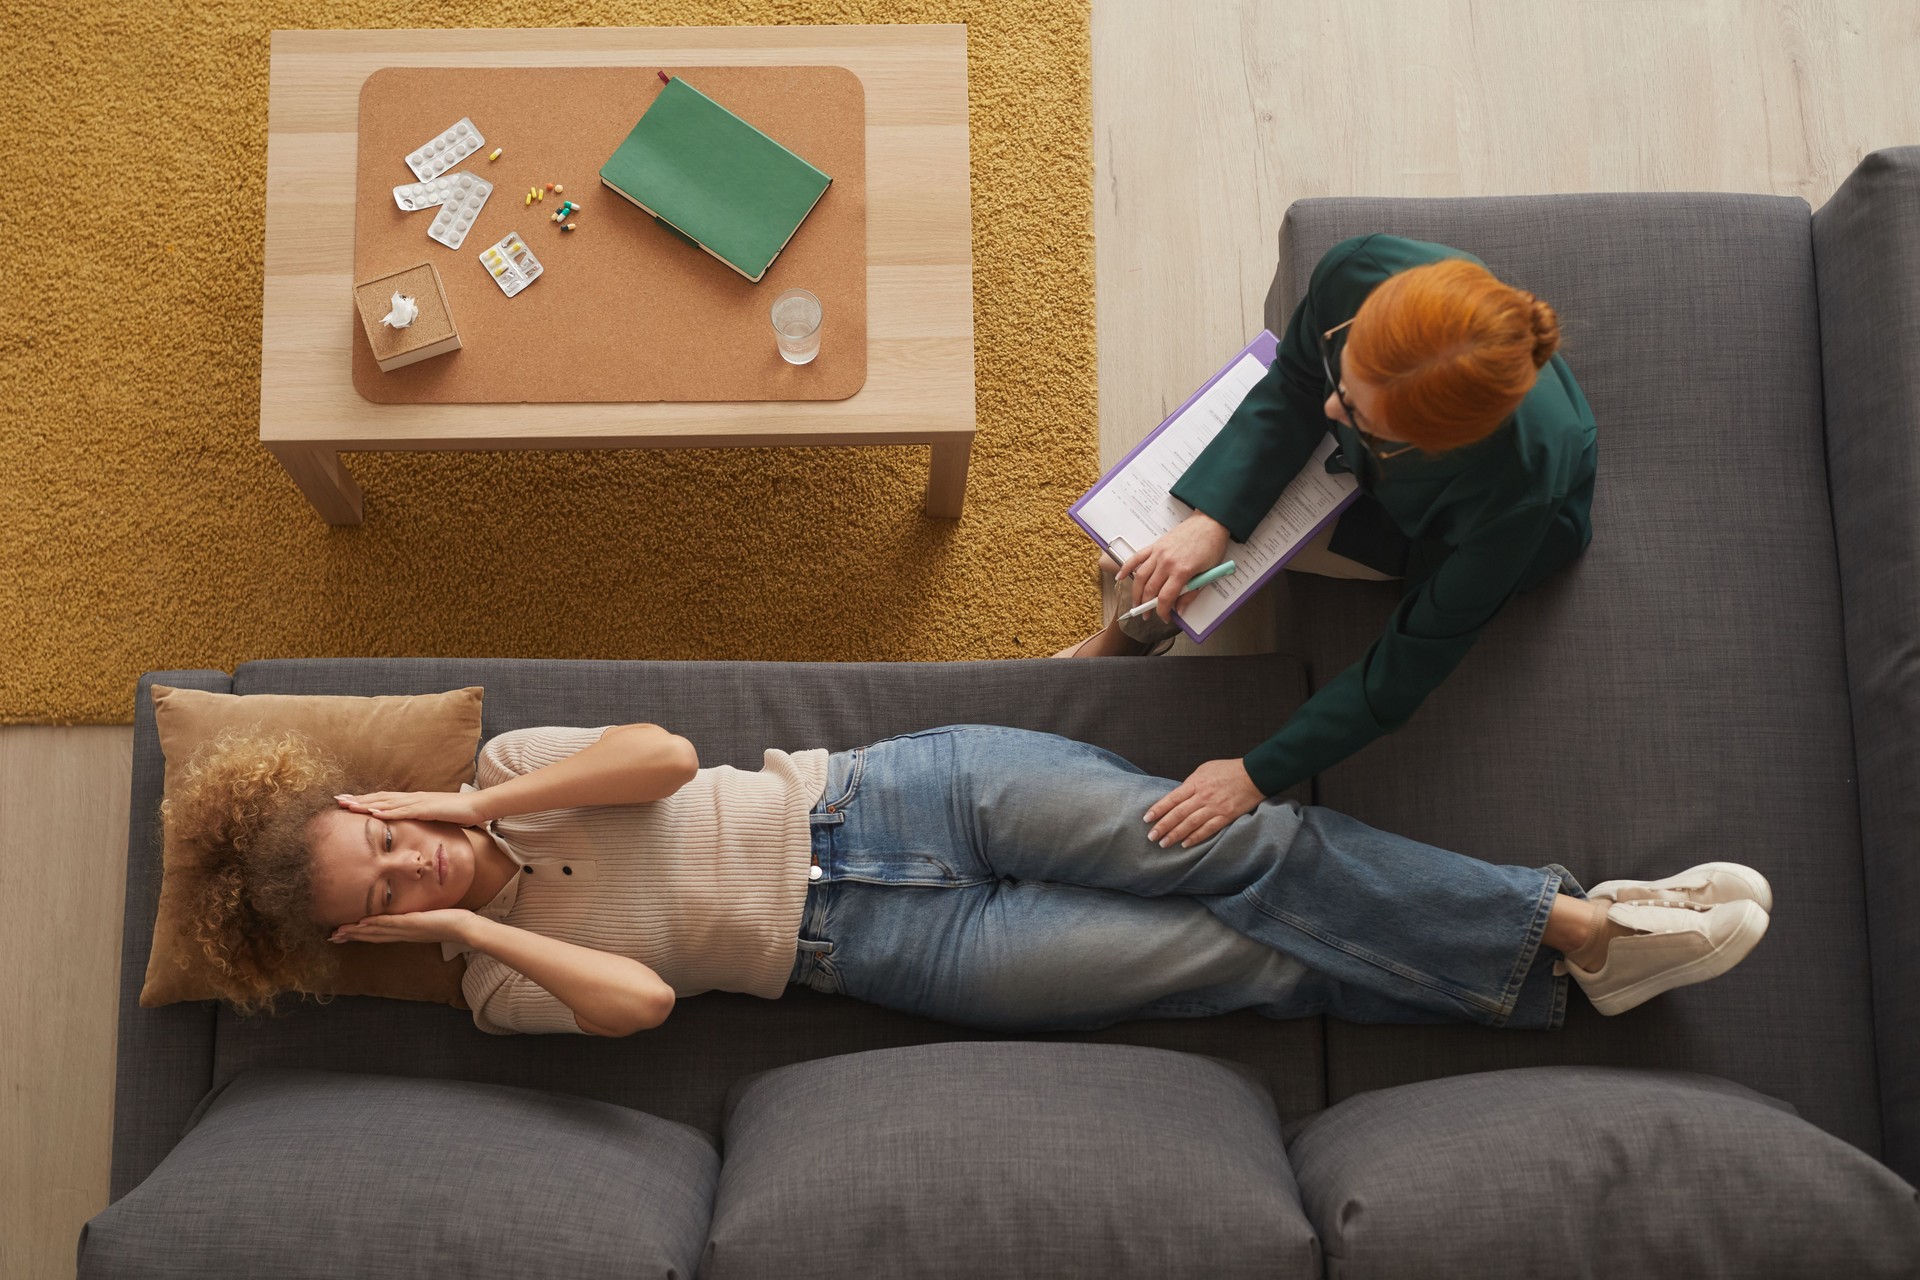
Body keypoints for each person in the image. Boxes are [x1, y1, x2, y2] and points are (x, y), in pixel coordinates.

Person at [169, 721, 1766, 1037]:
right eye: (380, 888)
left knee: (1244, 845)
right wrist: (461, 919)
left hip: (902, 793)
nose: (410, 863)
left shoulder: (510, 770)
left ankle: (1573, 927)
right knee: (1241, 965)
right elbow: (645, 1000)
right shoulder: (497, 988)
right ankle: (1574, 965)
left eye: (381, 835)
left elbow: (661, 760)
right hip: (890, 957)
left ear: (381, 802)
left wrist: (456, 799)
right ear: (371, 932)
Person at [1057, 234, 1598, 851]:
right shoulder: (1361, 269)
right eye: (1345, 376)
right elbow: (1296, 384)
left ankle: (1131, 631)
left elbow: (1407, 665)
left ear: (1429, 444)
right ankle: (1130, 636)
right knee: (1152, 549)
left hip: (1435, 531)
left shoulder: (1517, 494)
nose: (1333, 411)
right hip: (1384, 464)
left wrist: (1256, 774)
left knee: (1144, 565)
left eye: (1363, 417)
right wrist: (1214, 519)